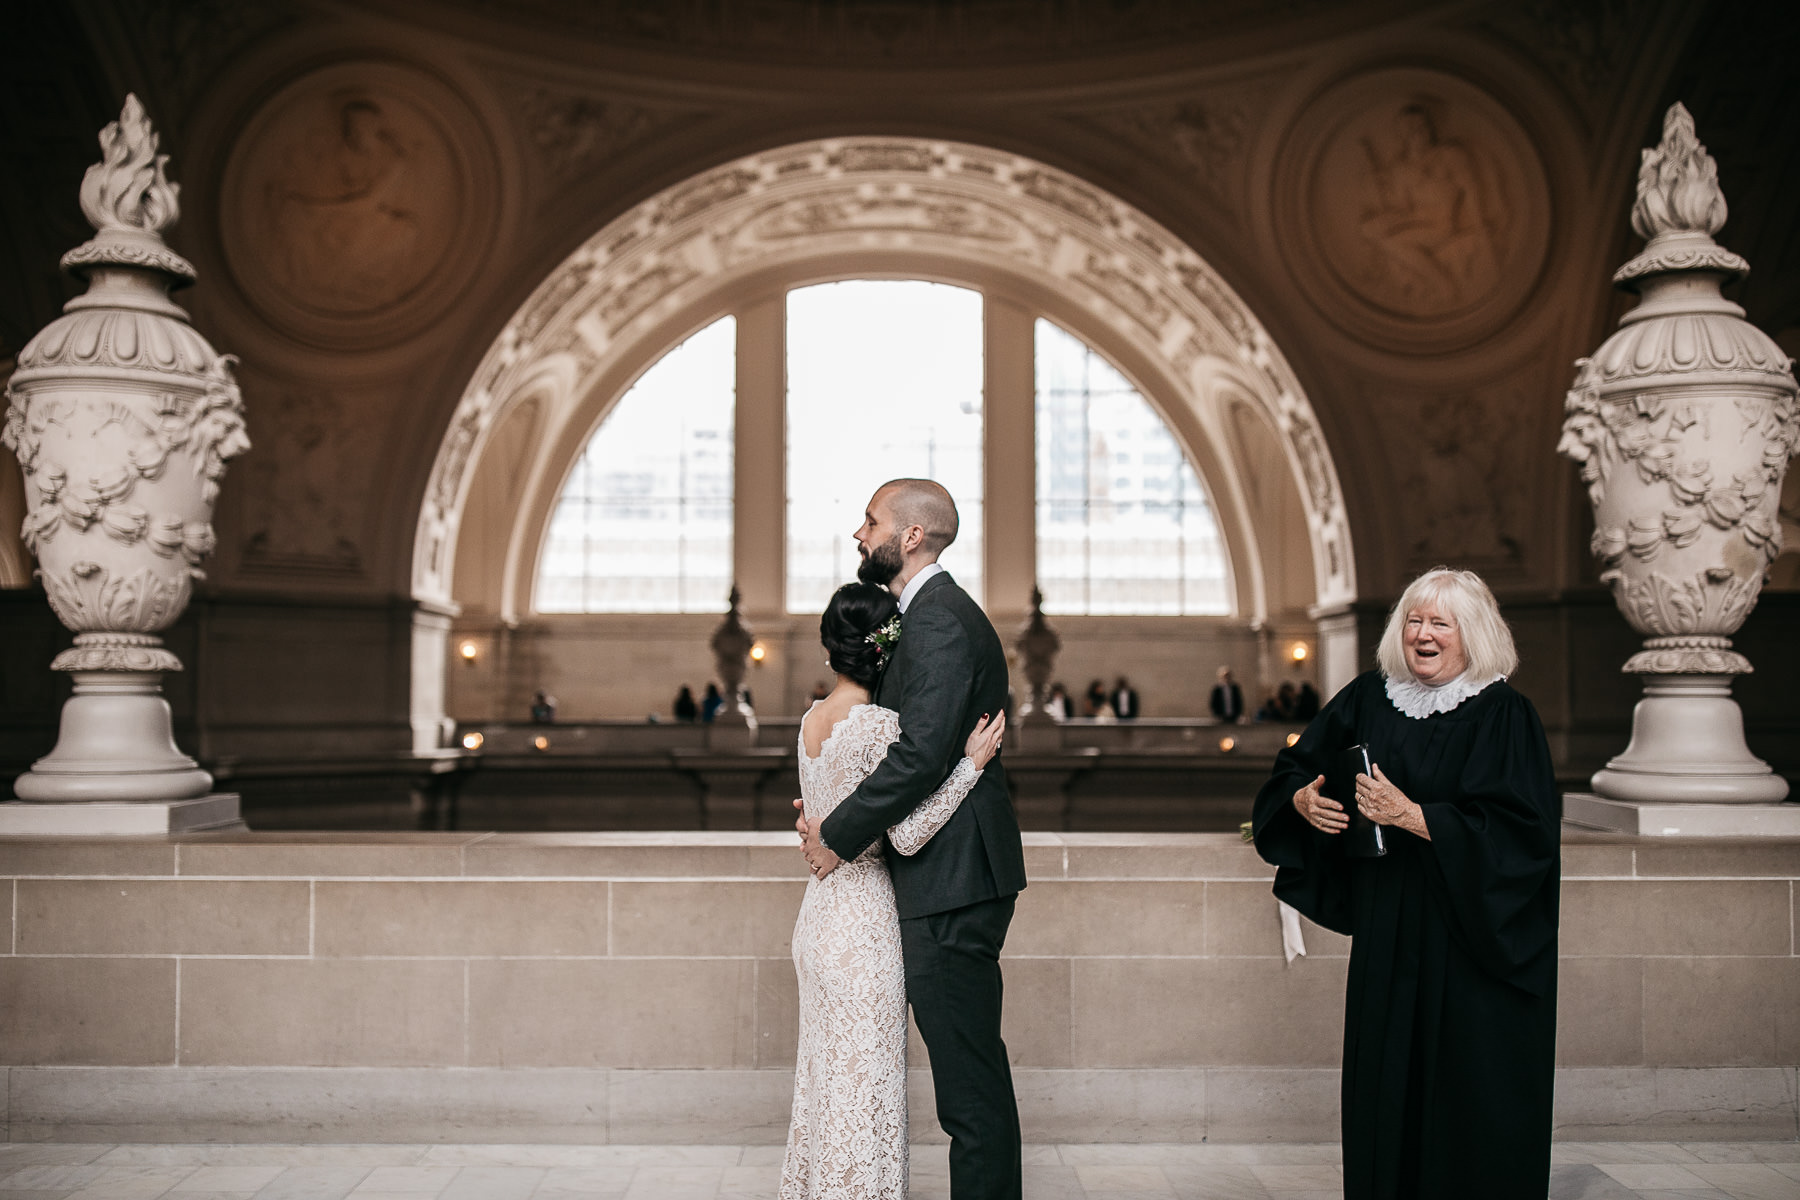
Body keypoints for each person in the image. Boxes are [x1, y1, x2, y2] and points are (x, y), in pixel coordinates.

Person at [1250, 567, 1559, 1200]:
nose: (1422, 634)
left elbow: (1524, 838)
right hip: (1389, 931)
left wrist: (1414, 817)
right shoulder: (1370, 697)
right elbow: (1296, 769)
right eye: (1413, 620)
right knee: (1386, 1083)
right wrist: (1304, 802)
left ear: (1471, 634)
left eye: (1440, 623)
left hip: (1471, 944)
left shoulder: (1504, 715)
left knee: (1466, 1091)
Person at [798, 478, 1027, 1200]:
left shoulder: (939, 621)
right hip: (938, 872)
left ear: (911, 537)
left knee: (967, 1085)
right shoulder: (919, 616)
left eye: (870, 523)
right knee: (965, 1078)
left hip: (954, 878)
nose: (860, 536)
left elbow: (920, 754)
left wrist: (835, 835)